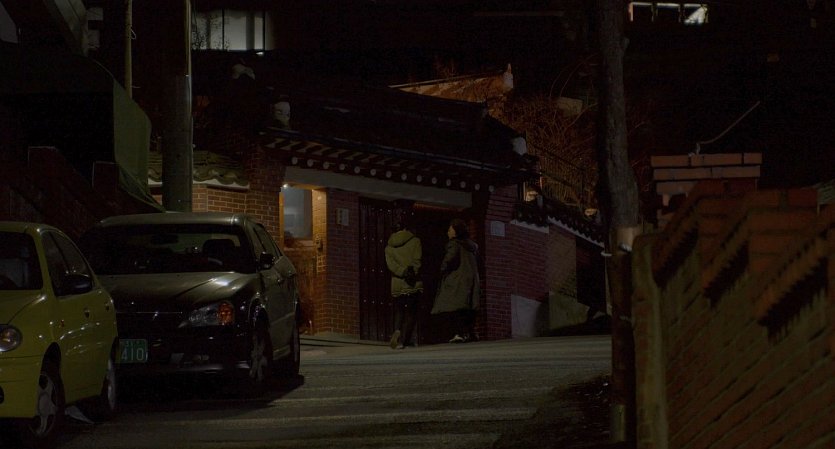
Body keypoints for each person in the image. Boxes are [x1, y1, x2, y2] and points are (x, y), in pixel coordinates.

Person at [431, 218, 480, 343]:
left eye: (450, 229)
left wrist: (441, 270)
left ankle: (458, 333)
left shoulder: (454, 244)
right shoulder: (471, 246)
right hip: (470, 280)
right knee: (467, 307)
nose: (448, 232)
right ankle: (470, 332)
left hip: (457, 280)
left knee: (454, 307)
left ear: (456, 231)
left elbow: (449, 260)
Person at [385, 218, 424, 349]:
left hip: (397, 283)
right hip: (412, 282)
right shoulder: (415, 241)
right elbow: (417, 260)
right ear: (406, 228)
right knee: (411, 312)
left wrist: (402, 272)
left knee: (399, 310)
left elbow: (391, 265)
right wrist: (411, 272)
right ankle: (406, 340)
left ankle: (397, 331)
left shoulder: (389, 247)